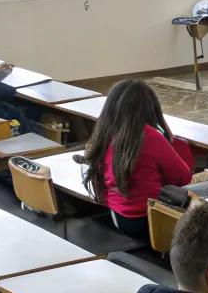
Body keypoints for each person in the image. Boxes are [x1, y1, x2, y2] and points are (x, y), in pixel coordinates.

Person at [82, 79, 196, 243]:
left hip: (118, 218)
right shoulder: (151, 136)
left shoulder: (104, 133)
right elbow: (184, 177)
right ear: (150, 109)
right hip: (152, 221)